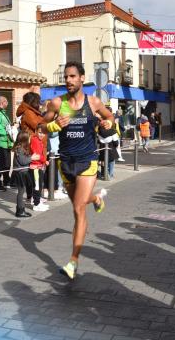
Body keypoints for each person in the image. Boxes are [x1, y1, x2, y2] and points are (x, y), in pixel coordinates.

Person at [43, 61, 114, 280]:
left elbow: (110, 117)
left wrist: (108, 123)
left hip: (87, 161)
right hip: (66, 163)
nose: (68, 81)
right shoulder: (56, 103)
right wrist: (54, 126)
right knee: (81, 204)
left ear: (82, 78)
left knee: (77, 208)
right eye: (66, 77)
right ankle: (96, 199)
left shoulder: (93, 102)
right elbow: (41, 125)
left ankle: (73, 261)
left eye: (73, 76)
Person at [9, 131, 38, 218]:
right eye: (28, 138)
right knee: (21, 192)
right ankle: (20, 211)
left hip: (22, 172)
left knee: (22, 192)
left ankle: (21, 209)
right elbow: (23, 161)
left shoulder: (21, 148)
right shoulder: (19, 149)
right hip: (20, 174)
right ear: (24, 139)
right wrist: (32, 158)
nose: (29, 139)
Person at [30, 124, 49, 211]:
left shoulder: (39, 140)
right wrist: (45, 161)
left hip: (39, 166)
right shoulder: (35, 140)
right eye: (40, 132)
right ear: (36, 132)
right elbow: (37, 155)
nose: (42, 134)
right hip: (35, 167)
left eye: (43, 133)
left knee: (38, 185)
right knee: (37, 186)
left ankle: (38, 202)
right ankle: (36, 204)